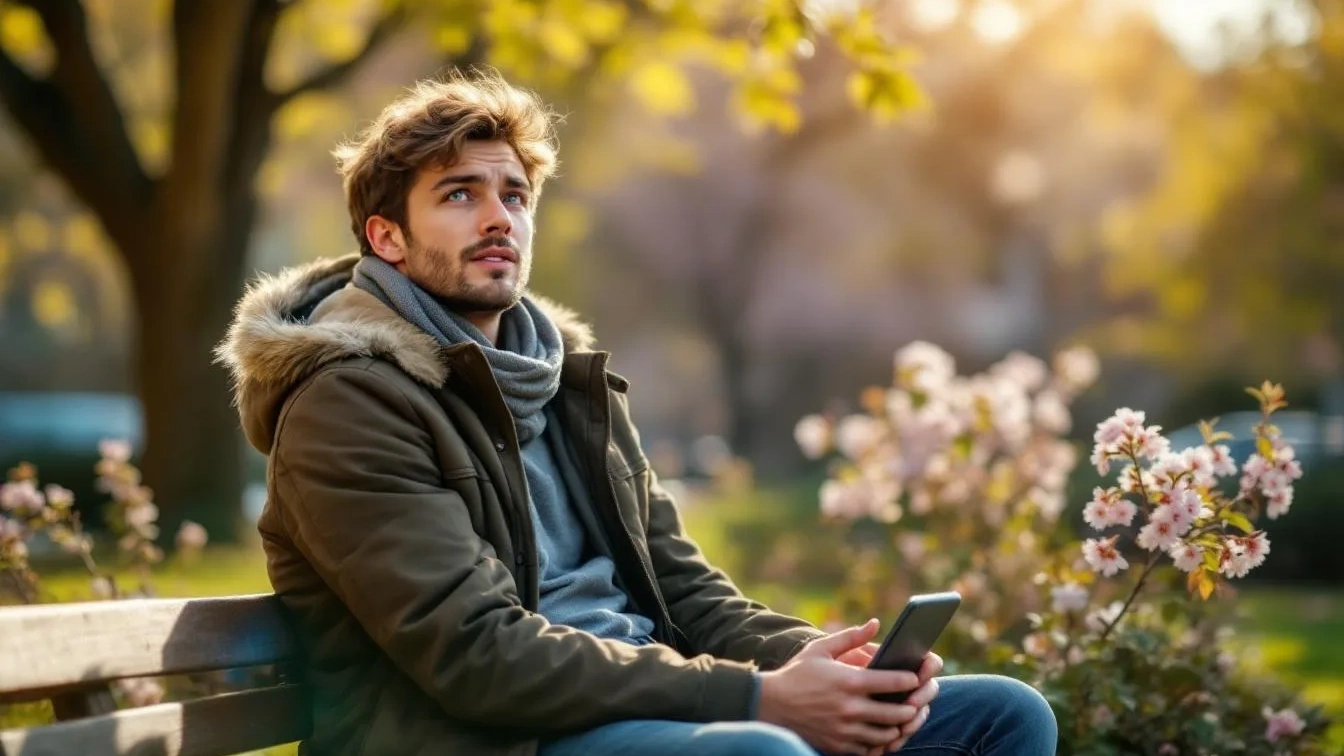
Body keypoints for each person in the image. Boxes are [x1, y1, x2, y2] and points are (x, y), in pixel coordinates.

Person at [216, 70, 1057, 756]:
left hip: (643, 711)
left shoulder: (562, 382)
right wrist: (759, 700)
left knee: (1004, 717)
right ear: (387, 238)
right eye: (460, 195)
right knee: (764, 754)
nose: (499, 217)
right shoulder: (348, 403)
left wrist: (815, 666)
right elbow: (477, 657)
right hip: (490, 738)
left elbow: (683, 590)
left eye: (514, 195)